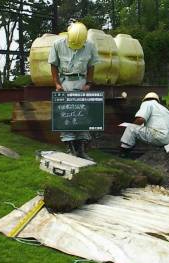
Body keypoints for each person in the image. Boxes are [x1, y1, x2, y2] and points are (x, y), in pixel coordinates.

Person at [48, 21, 99, 161]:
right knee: (66, 117)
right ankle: (71, 150)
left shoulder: (90, 46)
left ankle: (81, 150)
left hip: (81, 82)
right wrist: (57, 84)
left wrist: (88, 83)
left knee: (83, 116)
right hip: (65, 83)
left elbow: (91, 66)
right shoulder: (58, 44)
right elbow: (53, 65)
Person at [120, 92, 169, 158]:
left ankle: (123, 153)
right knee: (141, 128)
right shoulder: (165, 109)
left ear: (145, 100)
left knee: (131, 128)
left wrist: (133, 126)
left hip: (161, 136)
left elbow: (140, 119)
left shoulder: (147, 103)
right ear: (157, 100)